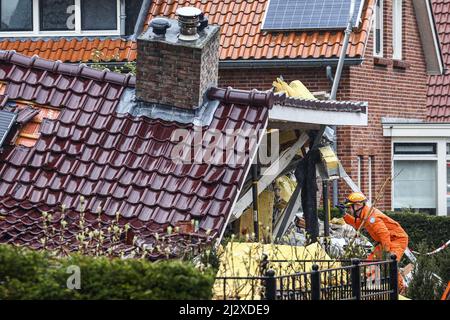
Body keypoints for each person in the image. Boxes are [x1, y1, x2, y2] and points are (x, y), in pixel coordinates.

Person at [342, 192, 409, 293]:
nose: (349, 210)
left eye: (349, 208)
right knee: (369, 264)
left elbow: (384, 234)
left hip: (396, 240)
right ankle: (373, 290)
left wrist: (386, 253)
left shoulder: (371, 217)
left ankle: (401, 291)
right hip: (386, 241)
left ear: (357, 206)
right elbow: (359, 224)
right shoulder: (365, 214)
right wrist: (345, 215)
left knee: (390, 264)